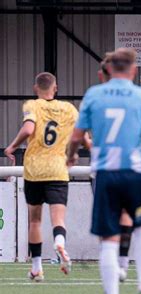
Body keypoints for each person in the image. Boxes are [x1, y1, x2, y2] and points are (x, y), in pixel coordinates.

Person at [67, 48, 141, 294]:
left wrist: (71, 156)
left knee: (109, 239)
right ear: (134, 70)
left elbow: (77, 135)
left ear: (108, 69)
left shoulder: (94, 95)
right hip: (134, 174)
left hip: (106, 174)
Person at [4, 72, 77, 281]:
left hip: (34, 170)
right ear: (55, 88)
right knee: (58, 219)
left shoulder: (32, 105)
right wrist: (73, 155)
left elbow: (28, 129)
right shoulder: (68, 109)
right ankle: (60, 242)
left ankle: (36, 268)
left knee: (35, 221)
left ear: (36, 88)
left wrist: (12, 146)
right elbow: (80, 137)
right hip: (58, 170)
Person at [95, 54, 141, 283]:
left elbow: (86, 137)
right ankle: (125, 267)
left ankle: (117, 266)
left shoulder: (97, 99)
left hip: (107, 170)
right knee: (129, 218)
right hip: (132, 170)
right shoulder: (137, 98)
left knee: (111, 222)